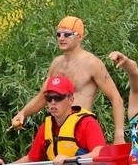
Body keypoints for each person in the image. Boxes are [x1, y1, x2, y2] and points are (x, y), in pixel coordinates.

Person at [0, 76, 114, 165]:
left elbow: (100, 155)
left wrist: (70, 160)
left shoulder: (87, 123)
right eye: (49, 98)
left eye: (59, 97)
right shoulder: (46, 127)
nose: (53, 102)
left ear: (71, 99)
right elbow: (30, 161)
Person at [11, 16, 126, 144]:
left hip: (81, 128)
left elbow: (116, 98)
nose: (61, 38)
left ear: (79, 37)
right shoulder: (56, 63)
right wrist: (23, 113)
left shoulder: (92, 63)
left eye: (67, 34)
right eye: (58, 34)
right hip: (58, 130)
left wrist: (119, 136)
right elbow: (43, 96)